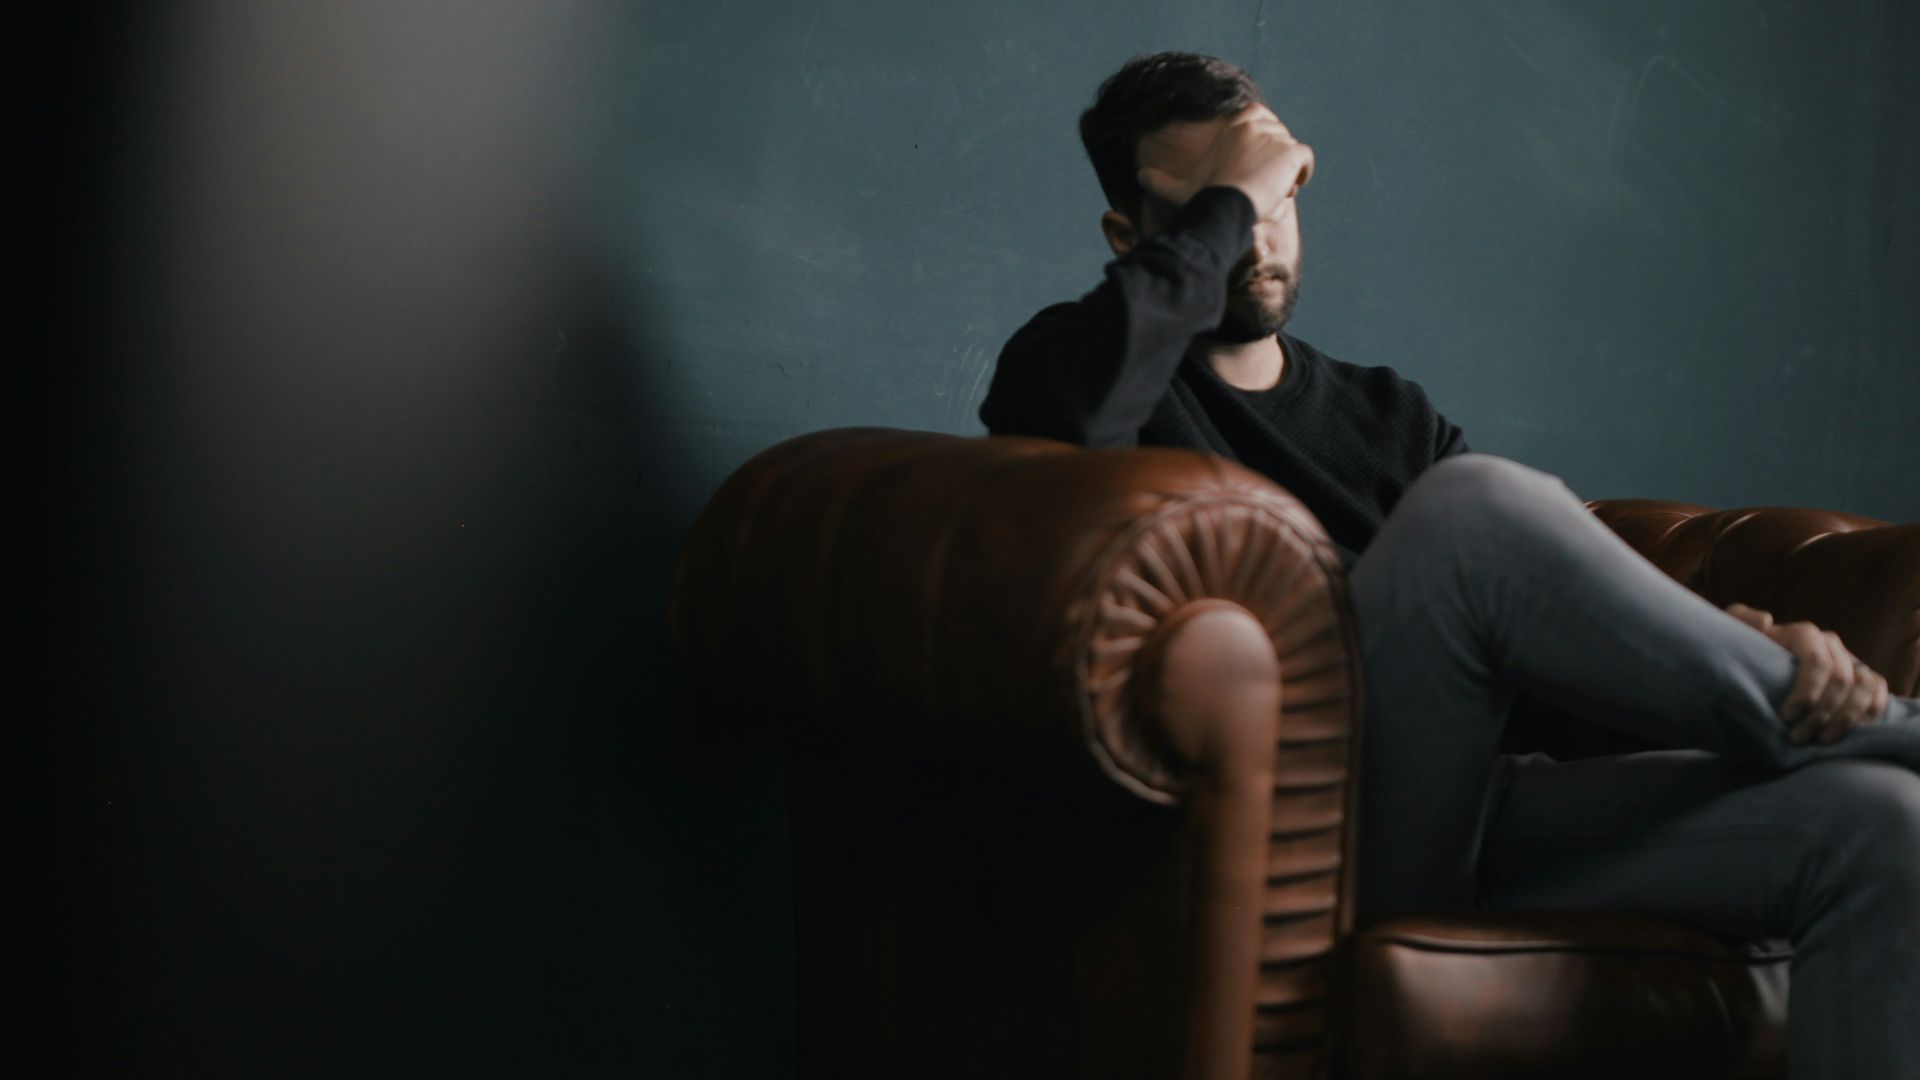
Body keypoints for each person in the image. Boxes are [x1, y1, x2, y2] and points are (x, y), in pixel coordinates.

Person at [979, 51, 1920, 1079]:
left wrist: (1730, 639)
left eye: (1278, 191)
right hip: (1319, 840)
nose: (1259, 231)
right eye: (1224, 203)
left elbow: (1550, 645)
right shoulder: (1078, 366)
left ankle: (1835, 728)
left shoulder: (1391, 413)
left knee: (1884, 829)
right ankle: (1875, 729)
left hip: (1487, 811)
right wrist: (1235, 194)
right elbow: (1064, 425)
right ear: (1135, 238)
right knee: (1473, 511)